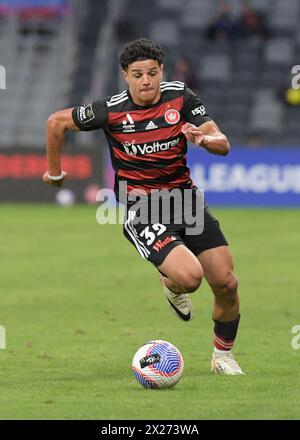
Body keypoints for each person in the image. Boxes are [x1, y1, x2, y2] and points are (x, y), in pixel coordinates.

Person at [43, 38, 245, 375]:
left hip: (186, 202)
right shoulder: (111, 109)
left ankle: (222, 356)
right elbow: (56, 122)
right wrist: (53, 172)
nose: (146, 80)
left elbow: (222, 143)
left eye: (152, 72)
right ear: (125, 75)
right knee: (191, 277)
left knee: (227, 283)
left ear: (161, 71)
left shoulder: (180, 98)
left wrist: (205, 139)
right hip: (143, 208)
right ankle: (171, 282)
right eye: (138, 74)